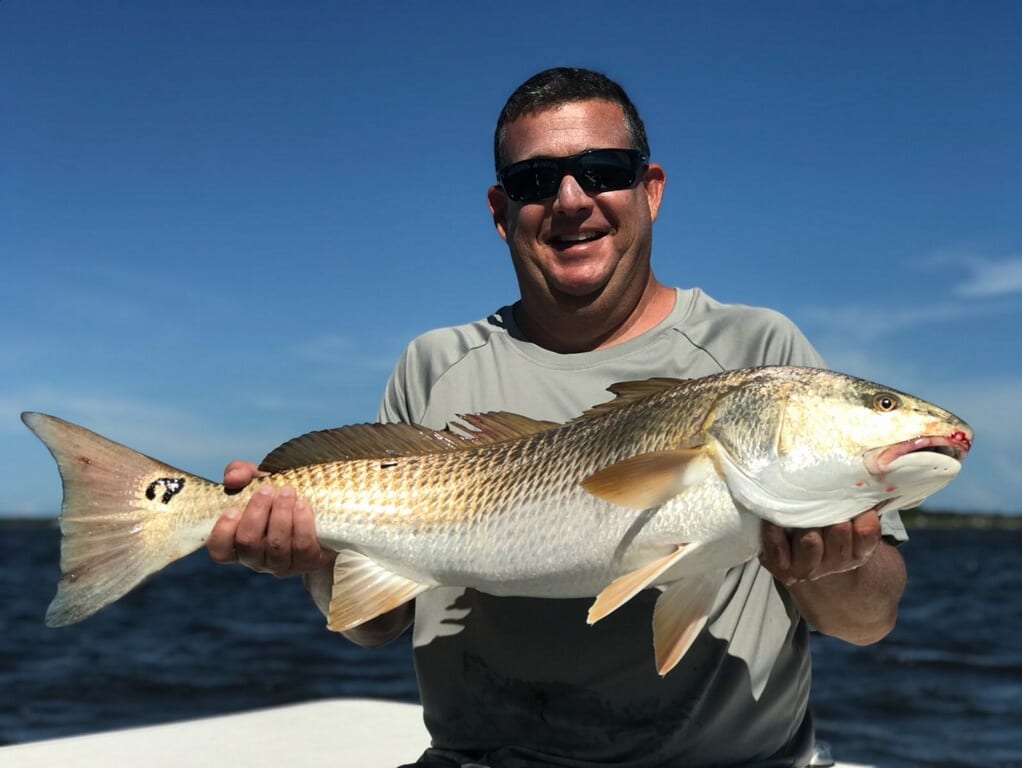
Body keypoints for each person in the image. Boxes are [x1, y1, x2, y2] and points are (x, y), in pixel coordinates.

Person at [206, 67, 907, 767]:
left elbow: (869, 620)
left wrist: (829, 566)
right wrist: (312, 560)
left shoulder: (759, 356)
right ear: (499, 209)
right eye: (534, 182)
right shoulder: (435, 365)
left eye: (603, 170)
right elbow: (374, 625)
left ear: (650, 190)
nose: (572, 201)